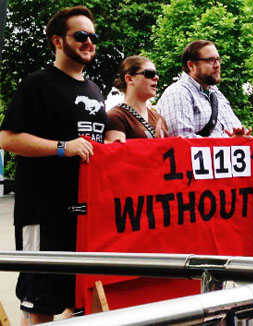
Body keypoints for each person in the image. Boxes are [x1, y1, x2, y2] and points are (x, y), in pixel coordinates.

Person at [0, 6, 107, 324]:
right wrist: (63, 148)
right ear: (57, 41)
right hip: (44, 213)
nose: (89, 42)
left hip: (86, 217)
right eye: (81, 35)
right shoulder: (38, 84)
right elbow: (6, 138)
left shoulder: (95, 91)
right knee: (39, 305)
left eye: (93, 36)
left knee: (76, 303)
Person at [157, 40, 249, 138]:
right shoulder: (178, 93)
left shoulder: (216, 93)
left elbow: (235, 130)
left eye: (218, 59)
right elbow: (183, 142)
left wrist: (243, 138)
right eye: (210, 60)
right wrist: (227, 143)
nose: (217, 65)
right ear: (191, 65)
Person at [106, 55, 168, 142]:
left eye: (156, 74)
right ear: (129, 79)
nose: (156, 77)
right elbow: (116, 154)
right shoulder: (116, 117)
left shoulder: (159, 119)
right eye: (149, 73)